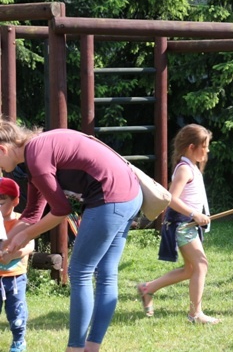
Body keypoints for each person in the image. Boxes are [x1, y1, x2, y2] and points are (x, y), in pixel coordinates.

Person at [0, 121, 143, 352]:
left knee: (79, 271)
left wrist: (25, 235)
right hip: (129, 195)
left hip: (110, 198)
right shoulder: (36, 151)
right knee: (106, 273)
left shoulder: (36, 156)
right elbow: (33, 213)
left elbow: (61, 210)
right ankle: (91, 348)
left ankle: (75, 349)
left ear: (2, 149)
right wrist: (7, 244)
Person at [137, 124, 219, 324]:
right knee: (201, 265)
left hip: (188, 223)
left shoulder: (191, 167)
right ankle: (195, 314)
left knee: (191, 269)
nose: (207, 150)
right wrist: (194, 214)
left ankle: (147, 288)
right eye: (204, 145)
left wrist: (199, 215)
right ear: (191, 147)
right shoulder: (184, 169)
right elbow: (170, 198)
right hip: (182, 225)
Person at [0, 177, 34, 352]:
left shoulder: (21, 221)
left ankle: (18, 341)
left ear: (15, 201)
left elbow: (30, 245)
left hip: (15, 277)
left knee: (16, 312)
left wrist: (14, 253)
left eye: (1, 201)